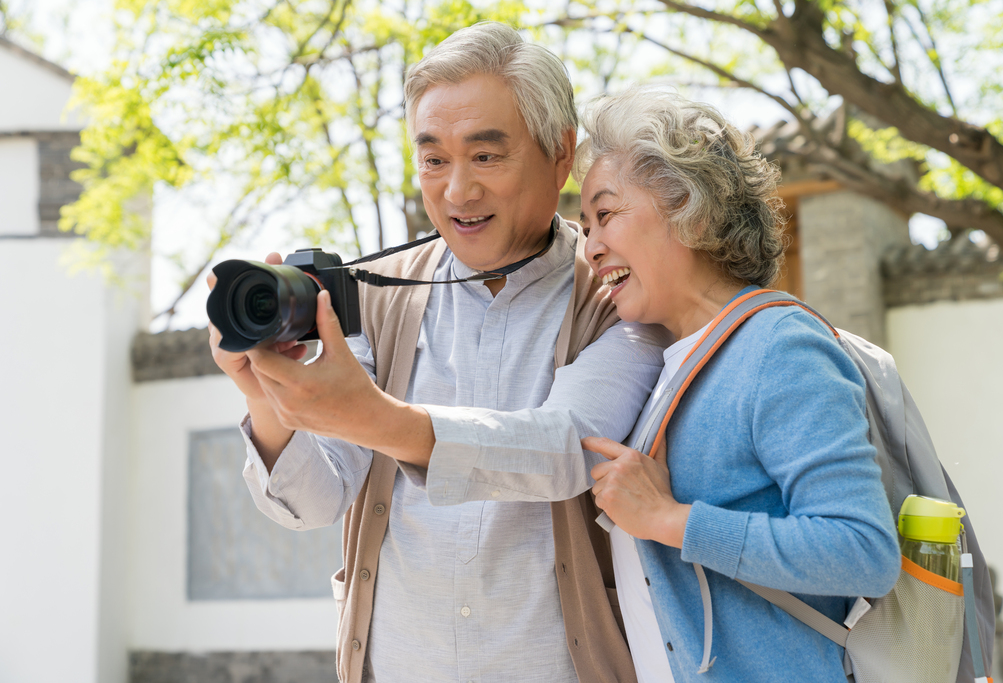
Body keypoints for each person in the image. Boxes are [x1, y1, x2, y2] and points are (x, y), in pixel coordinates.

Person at [208, 22, 669, 683]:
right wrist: (264, 392)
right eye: (433, 159)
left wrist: (372, 417)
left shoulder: (615, 288)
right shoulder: (378, 294)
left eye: (486, 156)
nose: (456, 191)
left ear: (561, 153)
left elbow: (565, 447)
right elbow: (312, 501)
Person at [575, 88, 902, 682]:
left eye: (606, 215)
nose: (591, 246)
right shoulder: (671, 360)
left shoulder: (779, 347)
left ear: (691, 212)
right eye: (584, 226)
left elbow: (863, 550)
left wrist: (670, 519)